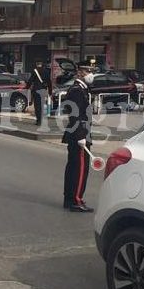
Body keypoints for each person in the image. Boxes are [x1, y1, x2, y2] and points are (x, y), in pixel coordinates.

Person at [61, 62, 95, 213]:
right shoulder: (76, 90)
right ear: (80, 72)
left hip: (79, 131)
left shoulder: (82, 89)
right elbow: (75, 114)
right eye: (88, 71)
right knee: (80, 169)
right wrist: (81, 135)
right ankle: (76, 200)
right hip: (79, 132)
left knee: (74, 167)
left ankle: (70, 198)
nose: (90, 74)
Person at [26, 60, 52, 126]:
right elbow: (49, 82)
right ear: (42, 64)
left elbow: (30, 81)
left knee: (37, 106)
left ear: (36, 64)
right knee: (41, 105)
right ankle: (41, 119)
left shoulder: (35, 71)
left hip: (36, 91)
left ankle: (39, 120)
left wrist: (27, 87)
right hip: (43, 91)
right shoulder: (46, 71)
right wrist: (50, 92)